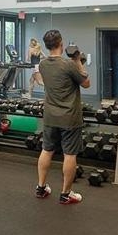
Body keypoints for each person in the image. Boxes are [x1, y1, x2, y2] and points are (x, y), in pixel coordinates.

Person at [35, 29, 90, 204]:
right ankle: (66, 194)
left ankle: (41, 188)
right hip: (69, 117)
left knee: (46, 150)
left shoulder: (43, 64)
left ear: (47, 45)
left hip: (50, 116)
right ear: (61, 43)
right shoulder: (69, 65)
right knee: (70, 155)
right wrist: (78, 61)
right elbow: (86, 83)